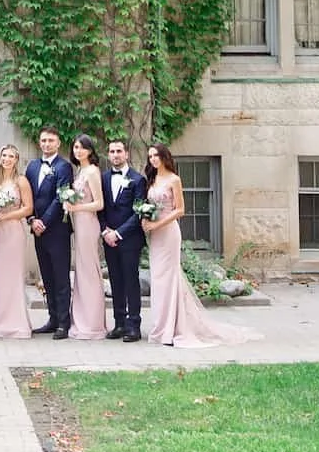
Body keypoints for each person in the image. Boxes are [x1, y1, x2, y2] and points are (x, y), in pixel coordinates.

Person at [143, 143, 255, 350]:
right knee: (158, 280)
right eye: (150, 156)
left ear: (165, 156)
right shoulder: (152, 179)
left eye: (156, 155)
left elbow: (180, 210)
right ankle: (160, 325)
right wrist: (146, 219)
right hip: (155, 236)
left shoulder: (174, 179)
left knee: (169, 278)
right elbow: (148, 206)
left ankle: (173, 327)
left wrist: (157, 224)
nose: (153, 159)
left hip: (168, 233)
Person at [25, 127, 74, 337]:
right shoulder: (33, 166)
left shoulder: (64, 167)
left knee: (60, 276)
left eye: (50, 140)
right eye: (43, 140)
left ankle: (64, 322)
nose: (46, 144)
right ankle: (52, 318)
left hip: (57, 230)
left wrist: (43, 221)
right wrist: (31, 219)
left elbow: (60, 197)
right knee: (47, 275)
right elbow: (27, 196)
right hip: (37, 230)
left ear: (58, 143)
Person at [100, 137, 149, 342]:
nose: (115, 155)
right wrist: (105, 231)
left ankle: (133, 325)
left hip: (129, 239)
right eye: (112, 152)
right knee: (115, 281)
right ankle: (119, 323)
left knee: (131, 282)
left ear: (126, 154)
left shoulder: (138, 180)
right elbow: (100, 207)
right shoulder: (103, 178)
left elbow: (138, 213)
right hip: (108, 238)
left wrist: (118, 233)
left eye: (119, 151)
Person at [0, 143, 34, 339]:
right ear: (0, 157)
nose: (7, 159)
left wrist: (6, 216)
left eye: (11, 156)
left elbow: (28, 208)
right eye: (4, 155)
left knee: (12, 276)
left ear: (16, 160)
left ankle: (16, 323)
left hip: (13, 232)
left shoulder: (21, 181)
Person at [66, 133, 109, 342]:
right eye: (75, 147)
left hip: (88, 223)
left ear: (90, 150)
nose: (78, 151)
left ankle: (93, 324)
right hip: (78, 222)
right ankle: (81, 320)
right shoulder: (79, 171)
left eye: (82, 147)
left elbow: (99, 204)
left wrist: (76, 207)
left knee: (90, 270)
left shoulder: (92, 171)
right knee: (81, 270)